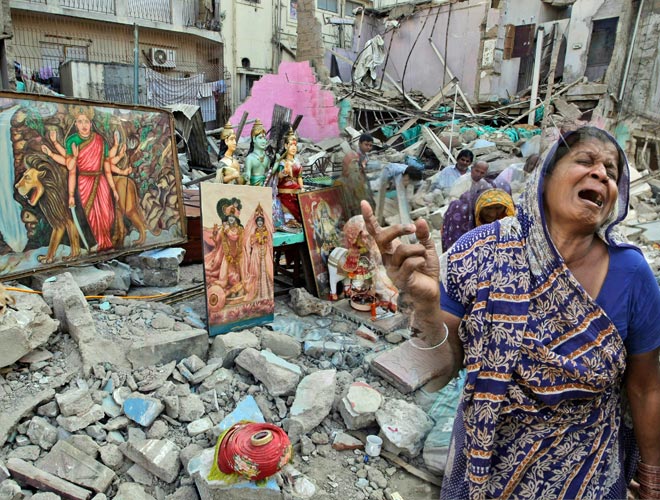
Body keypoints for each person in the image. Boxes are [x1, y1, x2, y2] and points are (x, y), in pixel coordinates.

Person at [360, 126, 660, 500]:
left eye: (612, 172)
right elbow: (444, 365)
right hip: (488, 473)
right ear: (545, 177)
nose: (600, 173)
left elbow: (646, 387)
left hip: (587, 479)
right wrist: (424, 306)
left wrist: (652, 473)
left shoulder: (632, 274)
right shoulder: (483, 250)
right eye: (584, 161)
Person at [41, 106, 126, 252]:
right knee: (92, 215)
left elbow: (107, 164)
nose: (84, 125)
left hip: (101, 181)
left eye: (86, 121)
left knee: (107, 214)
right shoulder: (72, 141)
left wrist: (113, 188)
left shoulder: (99, 140)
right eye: (80, 122)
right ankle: (100, 243)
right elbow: (71, 169)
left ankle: (107, 242)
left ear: (91, 123)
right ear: (75, 124)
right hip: (84, 182)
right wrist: (72, 196)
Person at [441, 185, 514, 252]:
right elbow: (455, 252)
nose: (492, 214)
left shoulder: (505, 216)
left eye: (498, 208)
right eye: (488, 208)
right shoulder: (460, 212)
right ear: (479, 206)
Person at [338, 133, 376, 217]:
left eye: (370, 145)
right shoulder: (354, 155)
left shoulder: (365, 156)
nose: (368, 147)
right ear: (359, 143)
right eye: (366, 144)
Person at [243, 203, 274, 302]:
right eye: (258, 221)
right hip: (256, 252)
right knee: (257, 271)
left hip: (265, 252)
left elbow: (268, 241)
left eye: (261, 221)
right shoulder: (254, 231)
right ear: (256, 222)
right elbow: (251, 242)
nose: (260, 223)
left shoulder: (266, 231)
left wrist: (264, 240)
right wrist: (255, 239)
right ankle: (257, 295)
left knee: (266, 270)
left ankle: (266, 294)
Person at [273, 127, 304, 223]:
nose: (294, 147)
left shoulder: (297, 162)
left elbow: (299, 177)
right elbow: (279, 176)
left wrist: (302, 188)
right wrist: (284, 173)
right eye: (291, 145)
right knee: (289, 218)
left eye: (295, 145)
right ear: (286, 146)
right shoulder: (282, 162)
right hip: (286, 195)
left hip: (297, 194)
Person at [244, 119, 270, 186]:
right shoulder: (250, 158)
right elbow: (247, 173)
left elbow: (269, 173)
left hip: (264, 187)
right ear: (254, 139)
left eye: (264, 138)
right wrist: (247, 176)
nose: (264, 141)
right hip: (254, 188)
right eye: (260, 138)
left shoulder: (266, 158)